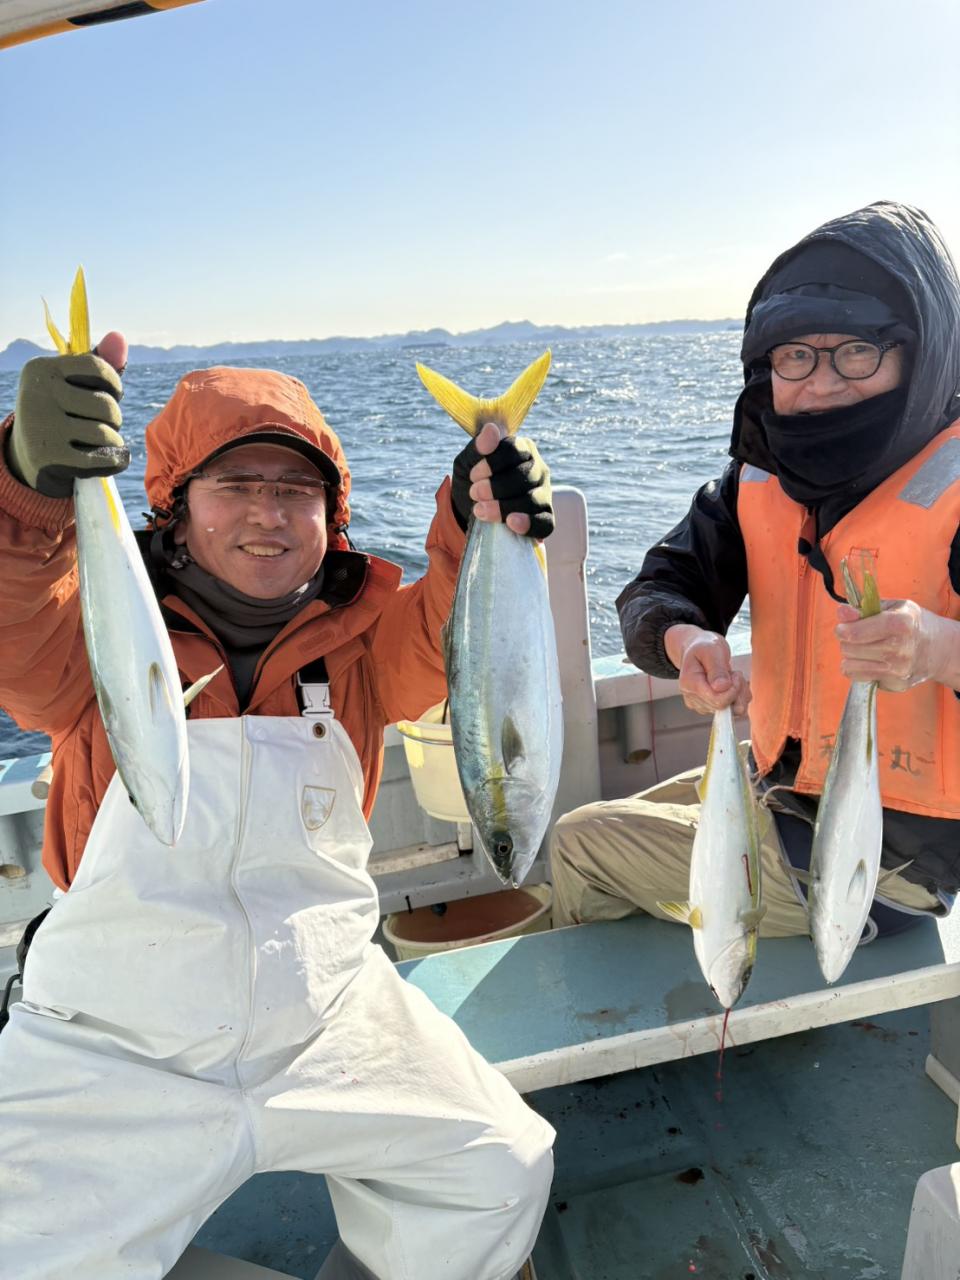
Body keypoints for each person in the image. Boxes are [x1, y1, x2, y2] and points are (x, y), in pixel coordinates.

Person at [0, 345, 556, 1280]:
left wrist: (479, 515)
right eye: (235, 486)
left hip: (326, 1009)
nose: (268, 512)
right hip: (116, 1038)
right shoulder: (93, 635)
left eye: (296, 491)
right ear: (175, 509)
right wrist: (26, 485)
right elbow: (13, 615)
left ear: (331, 517)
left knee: (498, 1171)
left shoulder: (363, 645)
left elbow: (452, 629)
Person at [551, 200, 960, 946]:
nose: (821, 384)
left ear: (919, 355)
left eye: (857, 351)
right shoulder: (758, 478)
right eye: (795, 356)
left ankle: (650, 1017)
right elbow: (659, 586)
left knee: (579, 843)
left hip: (893, 861)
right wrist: (683, 641)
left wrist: (937, 648)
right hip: (782, 783)